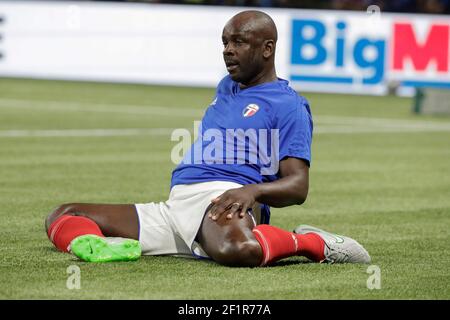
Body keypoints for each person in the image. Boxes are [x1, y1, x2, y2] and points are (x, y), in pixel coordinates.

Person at [45, 10, 370, 267]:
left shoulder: (289, 105)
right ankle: (106, 248)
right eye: (225, 42)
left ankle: (314, 243)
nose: (228, 50)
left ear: (267, 49)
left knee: (238, 249)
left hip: (224, 200)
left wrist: (251, 192)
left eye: (239, 42)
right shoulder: (227, 85)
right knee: (64, 214)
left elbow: (298, 186)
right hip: (176, 205)